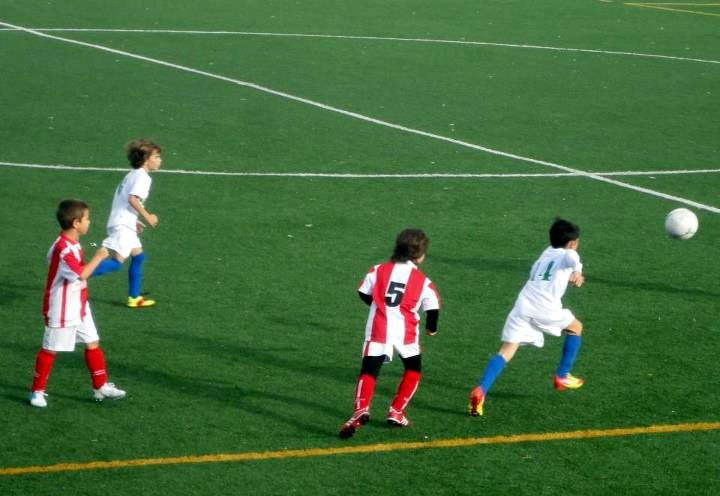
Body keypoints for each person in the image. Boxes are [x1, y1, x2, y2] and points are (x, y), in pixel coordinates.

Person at [468, 218, 585, 417]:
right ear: (573, 243)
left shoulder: (546, 254)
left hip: (523, 305)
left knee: (506, 350)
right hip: (544, 307)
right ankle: (562, 375)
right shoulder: (569, 254)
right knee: (576, 327)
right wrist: (577, 271)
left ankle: (481, 390)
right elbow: (572, 257)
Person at [339, 228, 441, 438]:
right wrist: (431, 328)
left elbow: (363, 292)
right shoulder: (423, 281)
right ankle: (397, 411)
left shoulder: (378, 270)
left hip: (378, 328)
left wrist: (377, 305)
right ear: (420, 256)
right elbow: (433, 309)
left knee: (369, 370)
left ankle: (361, 409)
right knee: (413, 368)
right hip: (406, 332)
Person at [29, 199, 127, 408]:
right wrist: (98, 257)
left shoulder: (70, 243)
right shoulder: (63, 249)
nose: (89, 222)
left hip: (79, 304)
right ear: (76, 223)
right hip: (62, 308)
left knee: (92, 342)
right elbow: (81, 274)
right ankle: (37, 391)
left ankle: (100, 386)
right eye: (87, 219)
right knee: (50, 349)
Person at [92, 139, 161, 308]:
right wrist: (148, 217)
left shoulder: (133, 174)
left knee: (138, 256)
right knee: (116, 263)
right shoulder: (143, 178)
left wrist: (134, 220)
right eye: (156, 157)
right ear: (146, 159)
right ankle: (76, 275)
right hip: (122, 225)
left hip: (124, 222)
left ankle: (134, 298)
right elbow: (132, 199)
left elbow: (123, 200)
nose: (160, 160)